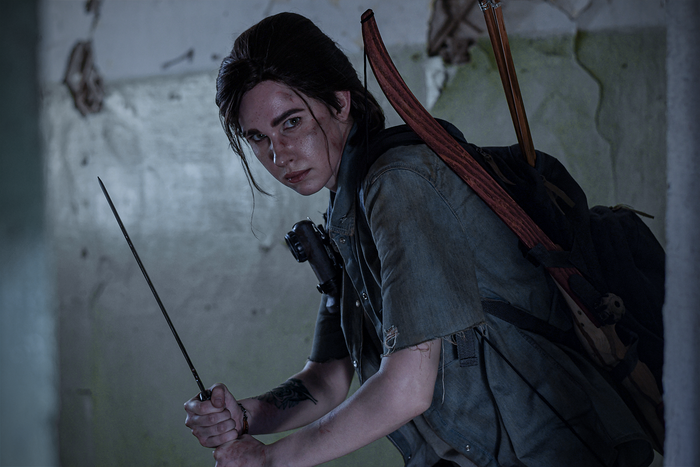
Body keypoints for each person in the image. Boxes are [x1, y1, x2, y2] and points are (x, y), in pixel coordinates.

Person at [184, 12, 654, 467]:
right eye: (257, 138)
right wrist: (244, 415)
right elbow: (327, 378)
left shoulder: (399, 184)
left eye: (291, 122)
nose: (278, 153)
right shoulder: (347, 213)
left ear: (340, 103)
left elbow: (407, 388)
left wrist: (271, 458)